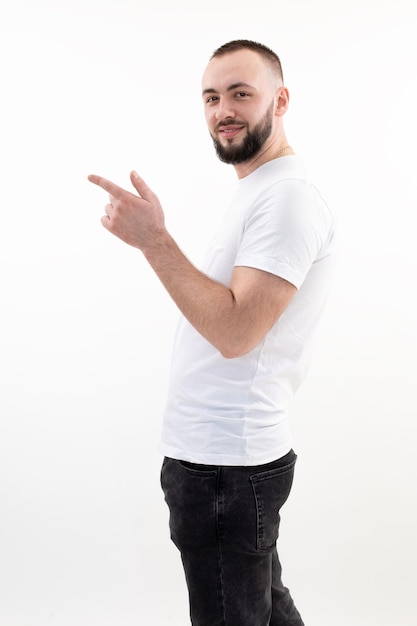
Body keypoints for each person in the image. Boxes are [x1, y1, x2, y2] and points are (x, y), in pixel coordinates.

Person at [88, 39, 336, 626]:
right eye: (211, 97)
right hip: (220, 464)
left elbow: (234, 332)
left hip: (228, 469)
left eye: (241, 93)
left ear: (280, 99)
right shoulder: (260, 190)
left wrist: (155, 241)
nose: (223, 109)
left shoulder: (288, 199)